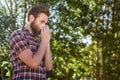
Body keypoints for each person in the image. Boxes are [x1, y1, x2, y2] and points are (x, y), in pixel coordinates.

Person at [8, 5, 53, 80]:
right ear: (31, 18)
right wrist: (44, 40)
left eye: (45, 23)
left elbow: (49, 67)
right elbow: (33, 63)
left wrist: (47, 41)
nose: (44, 26)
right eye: (42, 22)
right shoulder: (18, 35)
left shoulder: (40, 42)